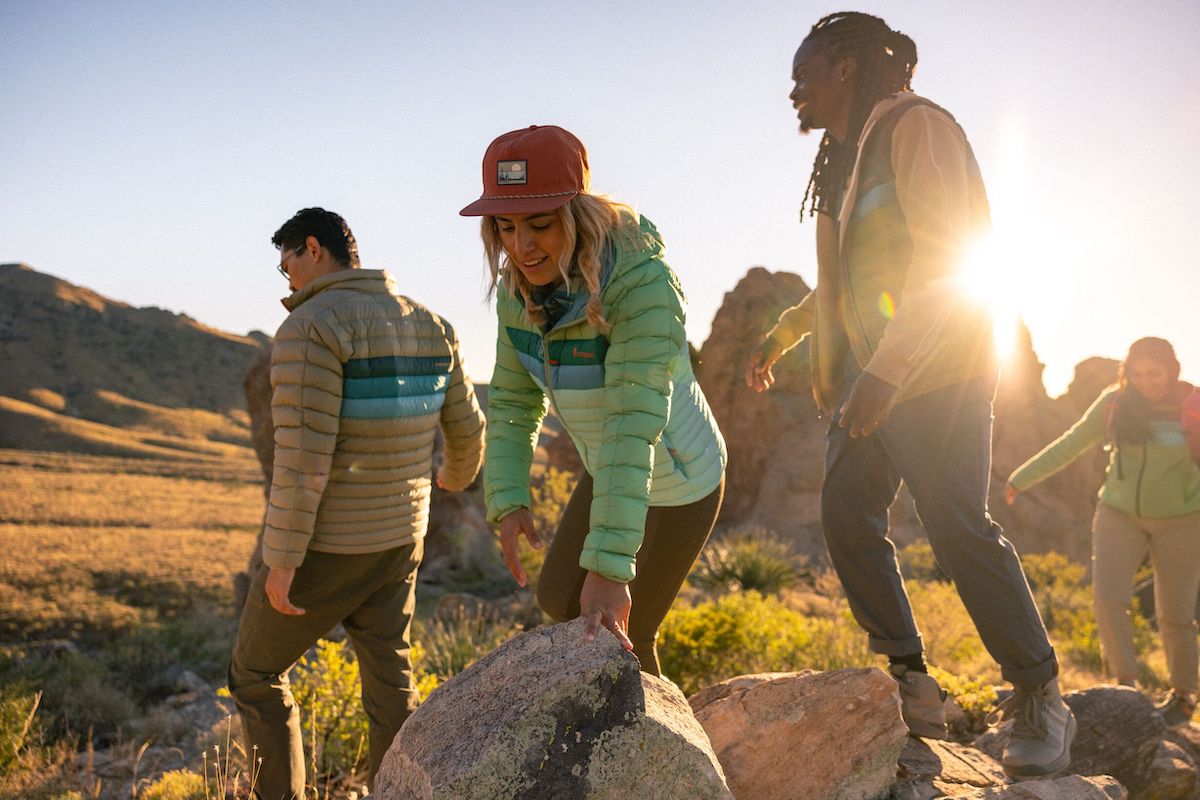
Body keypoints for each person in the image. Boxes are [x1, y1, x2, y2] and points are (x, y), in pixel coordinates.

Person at [744, 11, 1073, 775]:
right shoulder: (845, 156)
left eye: (804, 74)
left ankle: (1039, 693)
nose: (793, 91)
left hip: (943, 367)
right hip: (871, 373)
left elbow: (946, 257)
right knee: (846, 513)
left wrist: (886, 375)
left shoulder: (918, 129)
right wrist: (786, 334)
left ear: (848, 67)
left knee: (956, 523)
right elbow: (846, 281)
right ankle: (911, 681)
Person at [228, 208, 486, 800]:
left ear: (313, 250)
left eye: (286, 261)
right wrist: (452, 475)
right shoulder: (433, 324)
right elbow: (470, 430)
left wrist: (284, 559)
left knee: (256, 675)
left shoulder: (310, 328)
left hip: (329, 546)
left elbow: (304, 456)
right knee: (390, 683)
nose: (285, 277)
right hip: (401, 538)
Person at [460, 125, 727, 676]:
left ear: (577, 215)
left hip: (677, 477)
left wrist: (611, 569)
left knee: (619, 630)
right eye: (505, 227)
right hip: (614, 466)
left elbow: (634, 424)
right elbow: (511, 400)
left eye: (538, 224)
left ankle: (662, 756)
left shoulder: (641, 287)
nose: (520, 245)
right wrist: (508, 498)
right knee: (560, 601)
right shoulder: (520, 293)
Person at [1007, 337, 1200, 727]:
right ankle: (1125, 685)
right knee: (1109, 598)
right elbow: (1073, 442)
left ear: (1172, 369)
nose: (1147, 381)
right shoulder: (1115, 402)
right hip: (1118, 513)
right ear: (1126, 372)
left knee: (1175, 615)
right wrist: (1021, 478)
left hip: (1181, 518)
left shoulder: (1192, 404)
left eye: (1155, 373)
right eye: (1137, 373)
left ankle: (1182, 695)